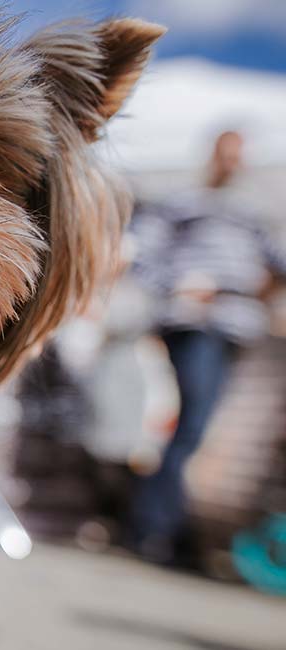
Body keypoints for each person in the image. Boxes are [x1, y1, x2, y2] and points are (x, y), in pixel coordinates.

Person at [126, 131, 286, 565]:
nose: (231, 163)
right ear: (212, 155)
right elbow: (144, 255)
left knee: (195, 429)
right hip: (192, 325)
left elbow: (278, 261)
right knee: (185, 425)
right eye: (225, 154)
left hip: (235, 328)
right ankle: (152, 529)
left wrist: (263, 290)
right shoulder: (184, 202)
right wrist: (177, 289)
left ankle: (161, 526)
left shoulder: (255, 212)